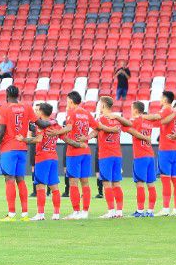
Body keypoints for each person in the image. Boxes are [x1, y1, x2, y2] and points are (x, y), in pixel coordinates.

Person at [0, 85, 48, 221]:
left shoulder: (4, 108)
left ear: (7, 95)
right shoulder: (26, 107)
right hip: (22, 148)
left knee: (9, 179)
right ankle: (25, 214)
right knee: (20, 179)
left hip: (8, 149)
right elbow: (40, 123)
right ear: (18, 95)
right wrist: (52, 123)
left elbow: (0, 132)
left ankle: (11, 214)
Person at [22, 102, 68, 221]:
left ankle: (40, 214)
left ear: (42, 112)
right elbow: (65, 137)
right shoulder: (55, 124)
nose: (36, 112)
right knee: (54, 186)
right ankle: (56, 214)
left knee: (40, 186)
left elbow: (38, 139)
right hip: (53, 157)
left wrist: (23, 139)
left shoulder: (41, 126)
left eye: (37, 110)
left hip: (42, 157)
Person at [144, 90, 176, 216]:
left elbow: (156, 117)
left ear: (165, 100)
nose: (160, 100)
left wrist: (142, 116)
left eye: (161, 98)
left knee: (166, 179)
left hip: (166, 149)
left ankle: (166, 208)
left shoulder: (167, 110)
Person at [93, 96, 132, 219]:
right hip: (117, 155)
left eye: (100, 104)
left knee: (106, 183)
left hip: (105, 155)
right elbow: (130, 124)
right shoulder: (117, 119)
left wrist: (86, 138)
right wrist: (118, 117)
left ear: (103, 105)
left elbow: (95, 130)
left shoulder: (100, 119)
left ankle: (110, 211)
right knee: (117, 183)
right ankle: (119, 211)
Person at [61, 90, 96, 219]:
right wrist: (87, 137)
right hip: (86, 151)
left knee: (73, 182)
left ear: (71, 101)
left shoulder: (72, 112)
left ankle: (76, 211)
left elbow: (69, 128)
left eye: (67, 101)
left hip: (74, 152)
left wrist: (57, 132)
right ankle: (85, 212)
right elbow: (97, 128)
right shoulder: (86, 113)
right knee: (85, 182)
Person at [126, 101, 158, 218]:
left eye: (131, 108)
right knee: (151, 184)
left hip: (140, 156)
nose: (130, 111)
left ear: (135, 110)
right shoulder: (149, 122)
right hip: (150, 155)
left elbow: (127, 127)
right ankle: (150, 211)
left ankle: (140, 211)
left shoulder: (135, 121)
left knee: (140, 184)